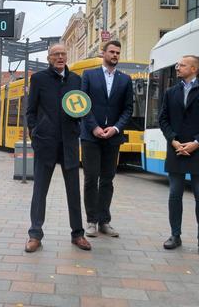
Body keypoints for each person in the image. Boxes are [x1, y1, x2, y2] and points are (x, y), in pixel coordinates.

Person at [24, 43, 91, 253]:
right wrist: (35, 134)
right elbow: (30, 111)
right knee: (39, 190)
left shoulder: (76, 80)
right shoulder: (39, 79)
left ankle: (77, 234)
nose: (60, 57)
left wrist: (78, 125)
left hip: (69, 142)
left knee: (73, 191)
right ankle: (35, 234)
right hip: (45, 142)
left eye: (63, 54)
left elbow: (82, 108)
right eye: (56, 54)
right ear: (49, 58)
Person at [158, 55, 199, 257]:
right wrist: (174, 140)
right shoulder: (170, 92)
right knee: (174, 194)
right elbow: (163, 119)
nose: (177, 67)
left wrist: (196, 143)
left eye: (182, 65)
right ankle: (175, 236)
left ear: (194, 68)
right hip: (176, 149)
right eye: (177, 64)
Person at [80, 40, 133, 238]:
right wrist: (93, 127)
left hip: (112, 138)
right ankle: (91, 221)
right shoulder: (89, 75)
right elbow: (83, 104)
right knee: (91, 178)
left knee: (107, 180)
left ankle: (104, 221)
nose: (115, 55)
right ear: (104, 53)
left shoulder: (125, 80)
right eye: (112, 52)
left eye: (118, 52)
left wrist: (117, 128)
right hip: (91, 137)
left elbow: (128, 108)